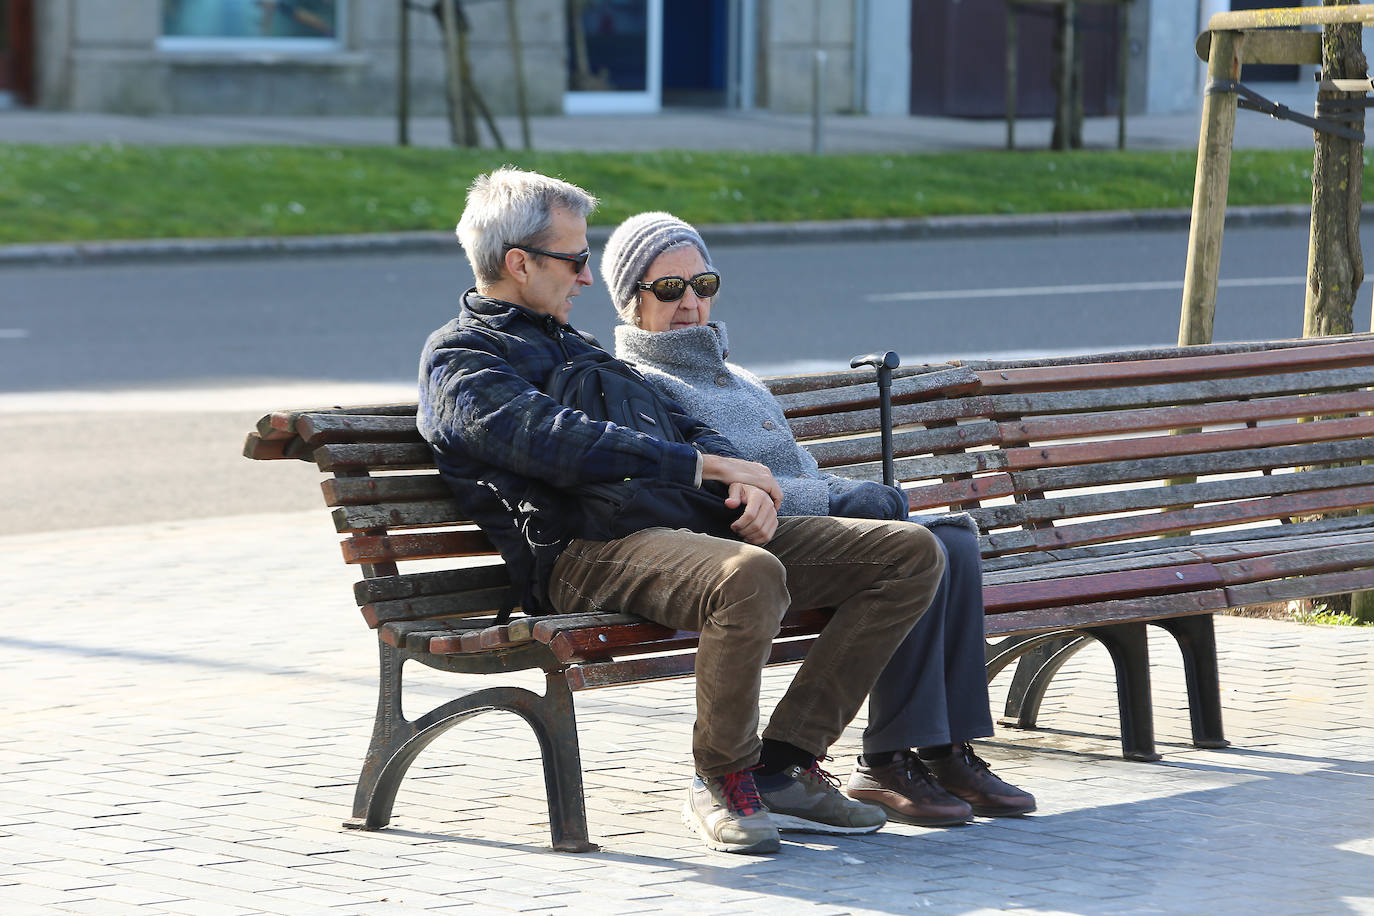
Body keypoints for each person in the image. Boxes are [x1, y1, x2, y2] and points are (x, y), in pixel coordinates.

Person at [417, 169, 949, 855]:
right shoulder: (462, 358)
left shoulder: (577, 346)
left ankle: (784, 765)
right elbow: (554, 441)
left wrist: (749, 483)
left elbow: (680, 422)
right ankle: (723, 777)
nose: (586, 277)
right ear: (519, 263)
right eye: (575, 259)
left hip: (682, 531)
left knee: (906, 554)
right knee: (746, 575)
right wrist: (700, 468)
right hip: (587, 553)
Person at [603, 211, 1036, 826]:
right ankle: (882, 762)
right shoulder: (641, 383)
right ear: (629, 303)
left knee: (954, 542)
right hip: (746, 545)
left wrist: (846, 491)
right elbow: (722, 493)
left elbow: (795, 470)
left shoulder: (739, 377)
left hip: (806, 528)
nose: (691, 303)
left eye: (704, 285)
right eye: (669, 290)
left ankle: (941, 748)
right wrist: (837, 500)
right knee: (914, 551)